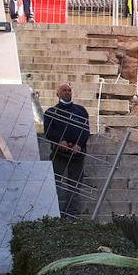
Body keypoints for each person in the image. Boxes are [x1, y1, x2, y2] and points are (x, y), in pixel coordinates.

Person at [42, 83, 90, 216]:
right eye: (64, 90)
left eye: (69, 90)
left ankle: (72, 213)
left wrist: (79, 144)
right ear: (58, 94)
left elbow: (85, 130)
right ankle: (52, 212)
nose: (67, 92)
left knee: (74, 186)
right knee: (54, 182)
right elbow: (49, 131)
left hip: (77, 155)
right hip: (59, 154)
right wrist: (59, 141)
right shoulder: (51, 112)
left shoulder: (81, 111)